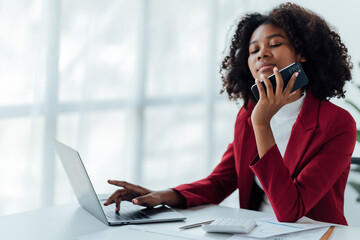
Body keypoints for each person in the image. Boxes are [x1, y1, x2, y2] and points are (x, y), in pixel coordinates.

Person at [104, 2, 357, 225]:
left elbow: (290, 210)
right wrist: (157, 195)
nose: (262, 54)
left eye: (275, 44)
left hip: (316, 234)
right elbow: (219, 182)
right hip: (257, 231)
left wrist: (261, 123)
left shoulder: (336, 123)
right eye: (253, 50)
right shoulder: (248, 113)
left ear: (301, 53)